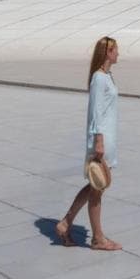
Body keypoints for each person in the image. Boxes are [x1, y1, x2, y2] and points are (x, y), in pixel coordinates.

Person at [56, 36, 121, 251]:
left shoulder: (107, 77)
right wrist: (99, 142)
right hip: (101, 140)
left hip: (107, 138)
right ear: (106, 53)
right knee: (97, 189)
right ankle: (97, 238)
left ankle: (66, 223)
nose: (118, 54)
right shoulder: (99, 78)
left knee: (96, 186)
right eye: (115, 50)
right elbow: (95, 112)